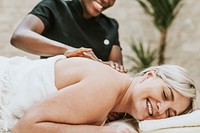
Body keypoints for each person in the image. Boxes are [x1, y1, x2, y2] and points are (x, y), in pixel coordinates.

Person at [0, 53, 197, 133]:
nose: (161, 108)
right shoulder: (105, 87)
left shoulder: (116, 104)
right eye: (165, 94)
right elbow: (25, 128)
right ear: (150, 75)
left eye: (169, 114)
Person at [10, 0, 123, 65]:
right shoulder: (54, 6)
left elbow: (117, 68)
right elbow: (20, 36)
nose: (107, 1)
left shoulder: (110, 26)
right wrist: (67, 51)